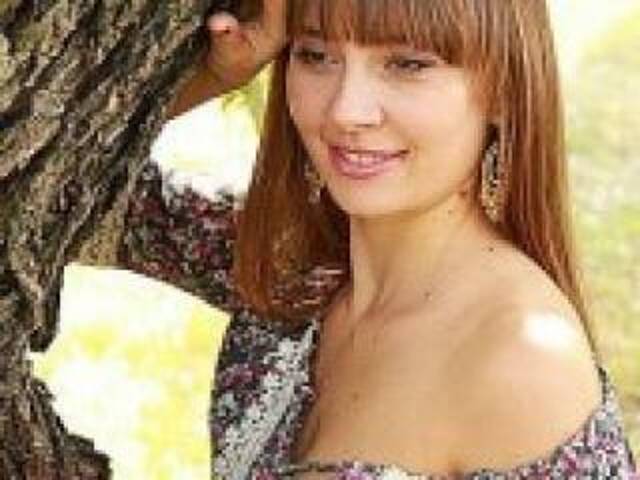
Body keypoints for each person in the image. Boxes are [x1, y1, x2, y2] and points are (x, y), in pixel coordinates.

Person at [120, 0, 638, 478]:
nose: (346, 110)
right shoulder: (291, 271)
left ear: (503, 89)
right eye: (316, 55)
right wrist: (213, 77)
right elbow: (88, 195)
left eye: (407, 64)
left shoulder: (523, 364)